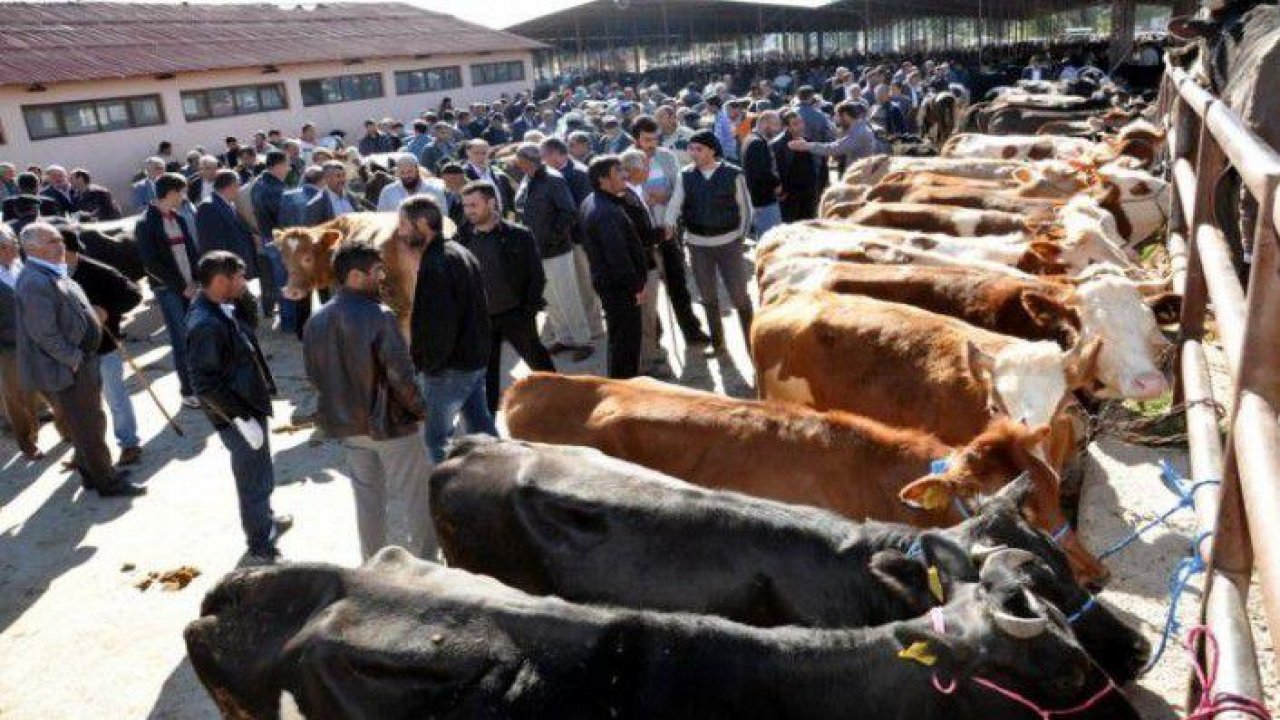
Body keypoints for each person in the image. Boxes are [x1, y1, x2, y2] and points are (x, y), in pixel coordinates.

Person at [303, 240, 438, 560]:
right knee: (416, 499)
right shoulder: (380, 316)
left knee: (368, 502)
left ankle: (374, 567)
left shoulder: (315, 321)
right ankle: (428, 564)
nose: (382, 277)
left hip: (348, 427)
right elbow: (401, 377)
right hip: (393, 428)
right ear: (354, 276)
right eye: (377, 271)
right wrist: (422, 411)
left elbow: (315, 377)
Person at [14, 222, 144, 496]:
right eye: (53, 241)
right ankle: (107, 481)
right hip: (69, 367)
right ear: (33, 248)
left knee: (88, 422)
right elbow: (44, 332)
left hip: (81, 360)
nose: (61, 245)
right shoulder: (35, 281)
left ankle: (91, 474)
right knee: (89, 426)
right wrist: (73, 358)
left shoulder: (50, 271)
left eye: (60, 239)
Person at [186, 250, 290, 563]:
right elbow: (204, 383)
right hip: (236, 413)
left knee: (262, 470)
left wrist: (243, 295)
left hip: (249, 404)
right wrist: (240, 418)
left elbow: (251, 324)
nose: (245, 282)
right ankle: (259, 542)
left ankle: (266, 519)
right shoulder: (206, 323)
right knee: (252, 478)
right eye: (239, 278)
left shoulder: (221, 306)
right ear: (220, 281)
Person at [403, 196, 497, 463]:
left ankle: (450, 499)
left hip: (449, 369)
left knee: (437, 441)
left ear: (422, 223)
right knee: (482, 429)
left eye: (404, 225)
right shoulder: (458, 251)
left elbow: (439, 325)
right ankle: (501, 483)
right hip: (472, 360)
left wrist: (429, 366)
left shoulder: (437, 264)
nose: (401, 232)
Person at [453, 181, 556, 412]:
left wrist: (529, 309)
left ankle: (560, 399)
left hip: (516, 314)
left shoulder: (519, 235)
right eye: (466, 205)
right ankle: (488, 418)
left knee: (538, 361)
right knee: (485, 372)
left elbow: (536, 275)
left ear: (491, 203)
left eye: (474, 205)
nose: (469, 210)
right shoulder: (461, 240)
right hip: (481, 319)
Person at [663, 130, 754, 356]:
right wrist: (668, 223)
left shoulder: (734, 174)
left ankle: (753, 345)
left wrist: (739, 238)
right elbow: (675, 204)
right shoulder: (686, 175)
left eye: (698, 149)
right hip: (697, 245)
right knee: (708, 297)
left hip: (729, 243)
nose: (693, 153)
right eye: (691, 149)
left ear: (712, 150)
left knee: (740, 297)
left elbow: (746, 209)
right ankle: (718, 344)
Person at [64, 226, 144, 467]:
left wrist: (107, 310)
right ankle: (86, 451)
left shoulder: (98, 271)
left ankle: (129, 443)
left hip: (103, 345)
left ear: (69, 250)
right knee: (82, 405)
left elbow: (134, 294)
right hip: (72, 351)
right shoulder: (53, 275)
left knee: (115, 397)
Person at [631, 116, 711, 346]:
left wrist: (665, 198)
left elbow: (679, 188)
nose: (652, 144)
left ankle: (691, 331)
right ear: (636, 139)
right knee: (647, 291)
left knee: (678, 285)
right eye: (647, 139)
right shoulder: (626, 159)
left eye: (655, 138)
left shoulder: (667, 156)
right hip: (642, 237)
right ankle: (653, 336)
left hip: (667, 231)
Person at [512, 143, 593, 362]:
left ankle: (583, 340)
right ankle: (563, 337)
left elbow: (569, 212)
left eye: (522, 161)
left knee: (568, 295)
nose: (519, 165)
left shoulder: (553, 179)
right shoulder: (528, 180)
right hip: (534, 249)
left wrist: (552, 237)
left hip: (556, 249)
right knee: (550, 297)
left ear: (532, 160)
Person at [135, 172, 201, 407]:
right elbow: (151, 263)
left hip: (191, 287)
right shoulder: (145, 223)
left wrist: (196, 280)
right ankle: (188, 391)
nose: (183, 197)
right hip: (169, 290)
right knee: (181, 339)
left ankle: (201, 384)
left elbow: (192, 252)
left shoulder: (179, 218)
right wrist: (182, 286)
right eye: (181, 192)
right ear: (171, 193)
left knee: (195, 336)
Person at [579, 156, 649, 379]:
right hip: (620, 289)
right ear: (603, 180)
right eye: (618, 172)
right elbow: (618, 258)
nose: (625, 175)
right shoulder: (606, 212)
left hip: (611, 284)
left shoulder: (593, 201)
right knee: (626, 344)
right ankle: (624, 392)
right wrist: (636, 288)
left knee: (619, 339)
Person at [540, 136, 605, 339]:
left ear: (556, 154)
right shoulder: (548, 173)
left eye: (544, 155)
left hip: (577, 239)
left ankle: (595, 327)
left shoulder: (579, 174)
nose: (542, 160)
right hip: (560, 241)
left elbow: (583, 209)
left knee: (585, 284)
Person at [0, 225, 49, 459]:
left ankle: (68, 431)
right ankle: (28, 442)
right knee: (19, 398)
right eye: (11, 246)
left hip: (38, 339)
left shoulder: (22, 268)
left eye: (16, 245)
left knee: (53, 388)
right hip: (9, 348)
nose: (17, 250)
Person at [616, 150, 665, 376]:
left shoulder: (637, 191)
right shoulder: (625, 197)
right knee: (645, 315)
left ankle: (652, 349)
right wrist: (662, 234)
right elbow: (639, 236)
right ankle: (647, 362)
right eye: (645, 166)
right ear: (634, 171)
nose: (648, 170)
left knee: (651, 312)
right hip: (642, 264)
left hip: (647, 259)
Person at [251, 150, 290, 326]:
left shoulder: (258, 184)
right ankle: (290, 321)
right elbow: (283, 217)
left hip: (268, 238)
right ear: (278, 165)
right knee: (285, 282)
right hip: (279, 240)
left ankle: (287, 318)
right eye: (286, 164)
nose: (288, 169)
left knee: (279, 280)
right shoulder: (275, 188)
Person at [787, 100, 877, 174]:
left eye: (837, 116)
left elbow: (835, 148)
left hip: (860, 176)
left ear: (845, 115)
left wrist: (807, 146)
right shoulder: (858, 128)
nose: (835, 119)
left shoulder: (859, 132)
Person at [196, 169, 258, 272]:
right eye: (238, 185)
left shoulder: (228, 204)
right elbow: (213, 245)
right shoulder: (208, 207)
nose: (239, 190)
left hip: (241, 266)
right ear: (230, 186)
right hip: (230, 270)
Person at [773, 109, 823, 222]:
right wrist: (781, 191)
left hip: (808, 195)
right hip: (790, 197)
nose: (800, 126)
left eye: (801, 122)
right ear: (787, 127)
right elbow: (776, 170)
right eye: (795, 124)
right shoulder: (778, 145)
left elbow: (816, 166)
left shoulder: (807, 142)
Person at [741, 111, 783, 238]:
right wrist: (777, 184)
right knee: (771, 240)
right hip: (764, 202)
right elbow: (761, 173)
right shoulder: (756, 143)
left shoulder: (751, 139)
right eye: (775, 124)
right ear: (764, 123)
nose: (778, 129)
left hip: (759, 200)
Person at [462, 140, 516, 216]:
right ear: (468, 153)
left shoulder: (498, 173)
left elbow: (509, 198)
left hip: (500, 219)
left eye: (484, 153)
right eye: (476, 153)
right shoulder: (463, 174)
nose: (480, 157)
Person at [376, 154, 447, 212]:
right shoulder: (388, 192)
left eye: (410, 171)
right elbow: (382, 218)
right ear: (397, 173)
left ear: (417, 170)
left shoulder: (434, 191)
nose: (406, 175)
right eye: (402, 172)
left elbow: (444, 218)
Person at [305, 160, 363, 226]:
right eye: (338, 176)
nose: (342, 179)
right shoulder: (317, 203)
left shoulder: (352, 198)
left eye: (343, 175)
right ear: (327, 178)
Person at [438, 163, 468, 229]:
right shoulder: (443, 194)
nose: (452, 182)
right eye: (447, 180)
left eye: (454, 178)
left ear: (462, 177)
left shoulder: (470, 193)